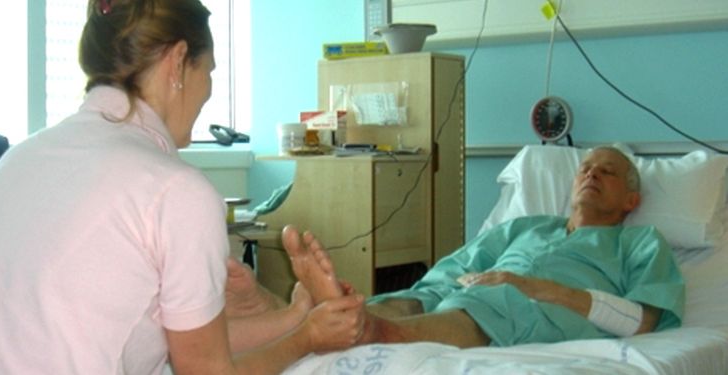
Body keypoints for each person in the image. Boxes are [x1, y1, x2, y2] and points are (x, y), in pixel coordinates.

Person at [0, 0, 364, 374]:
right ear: (178, 61)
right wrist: (308, 339)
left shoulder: (18, 159)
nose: (209, 89)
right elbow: (206, 370)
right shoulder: (177, 192)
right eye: (209, 70)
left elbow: (183, 343)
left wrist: (297, 317)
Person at [278, 146, 685, 348]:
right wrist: (436, 291)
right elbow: (457, 266)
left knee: (495, 301)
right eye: (586, 168)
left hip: (549, 315)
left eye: (607, 171)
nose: (592, 174)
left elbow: (642, 322)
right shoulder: (528, 226)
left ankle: (376, 333)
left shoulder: (639, 242)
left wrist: (533, 287)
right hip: (477, 291)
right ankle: (326, 318)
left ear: (632, 201)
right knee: (426, 292)